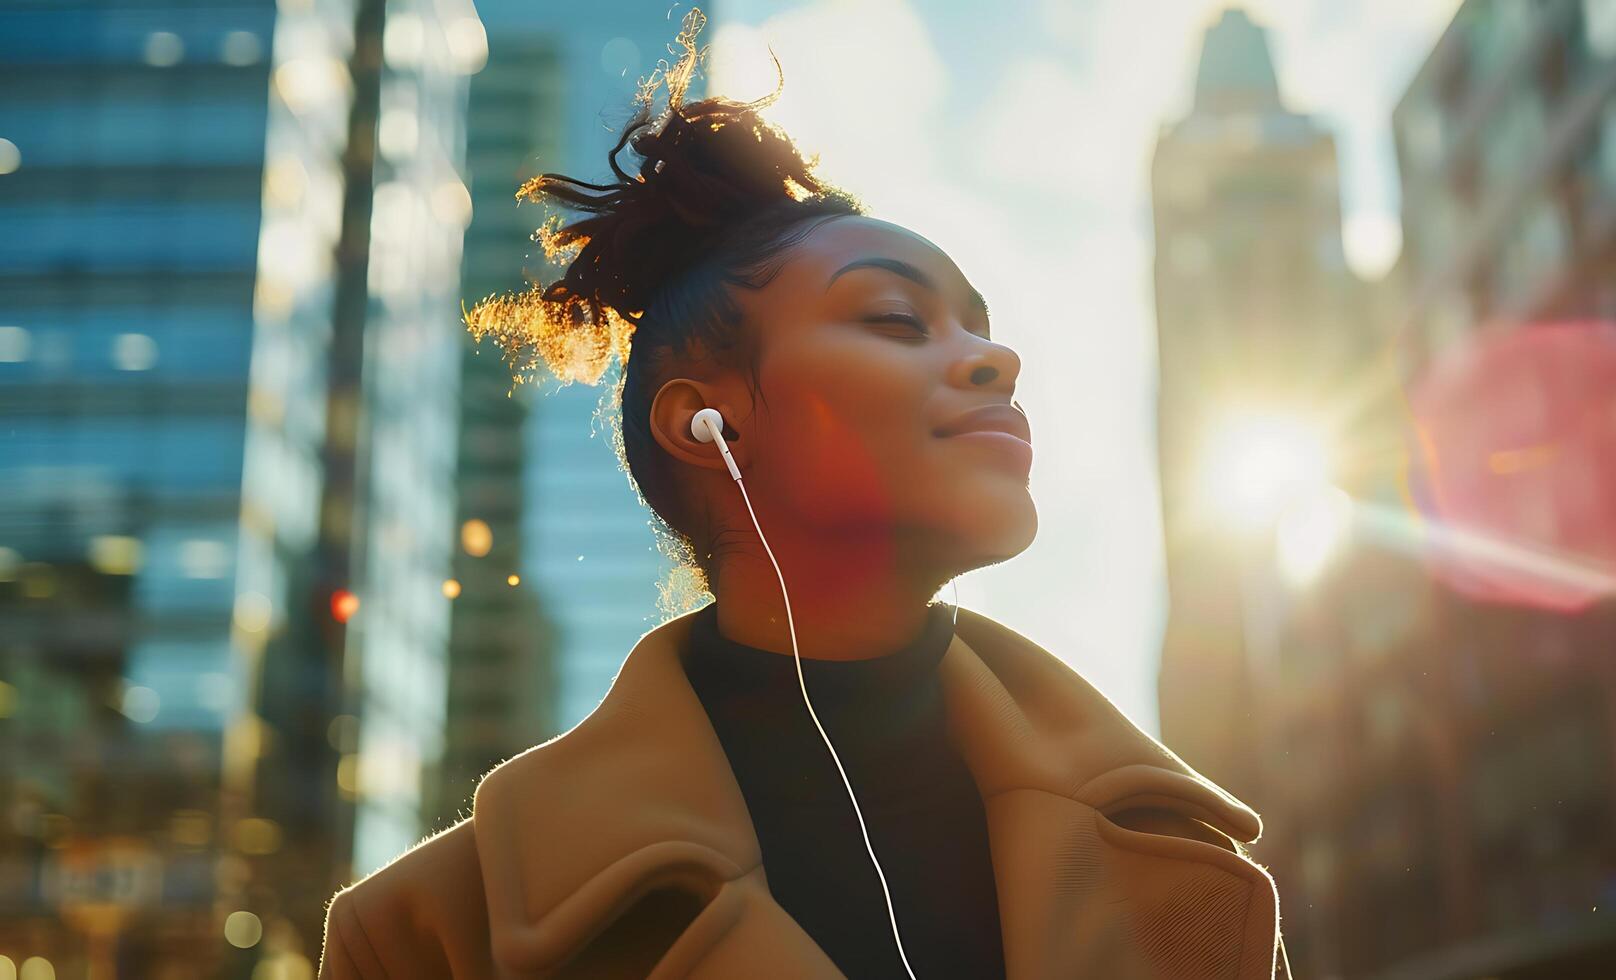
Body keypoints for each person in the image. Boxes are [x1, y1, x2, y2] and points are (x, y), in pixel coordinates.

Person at [317, 11, 1285, 978]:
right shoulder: (432, 931)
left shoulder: (1183, 853)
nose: (998, 358)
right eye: (898, 317)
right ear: (712, 424)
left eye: (979, 328)